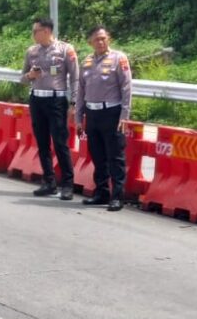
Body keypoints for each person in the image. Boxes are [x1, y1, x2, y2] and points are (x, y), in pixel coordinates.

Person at [74, 26, 133, 212]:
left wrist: (124, 115)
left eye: (103, 38)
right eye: (96, 39)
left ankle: (117, 196)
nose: (100, 42)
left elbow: (126, 88)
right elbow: (81, 91)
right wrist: (78, 117)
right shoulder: (87, 61)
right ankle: (101, 193)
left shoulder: (119, 58)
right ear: (89, 42)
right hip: (92, 114)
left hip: (112, 113)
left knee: (115, 157)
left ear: (109, 39)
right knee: (98, 156)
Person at [21, 17, 79, 200]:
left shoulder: (65, 50)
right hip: (37, 100)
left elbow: (75, 78)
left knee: (60, 143)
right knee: (42, 143)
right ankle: (49, 181)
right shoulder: (32, 52)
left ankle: (67, 184)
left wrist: (74, 103)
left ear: (46, 31)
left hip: (56, 101)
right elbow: (22, 78)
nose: (33, 35)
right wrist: (30, 75)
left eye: (35, 31)